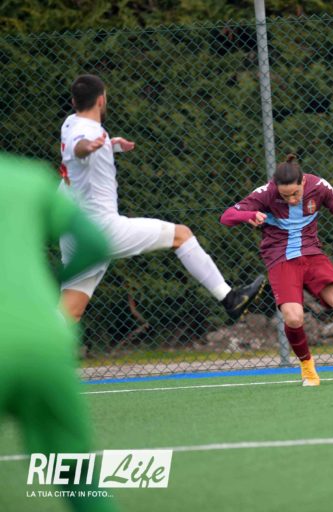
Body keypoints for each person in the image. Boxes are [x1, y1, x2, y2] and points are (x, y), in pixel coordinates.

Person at [58, 74, 262, 324]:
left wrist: (109, 145)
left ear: (74, 102)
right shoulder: (87, 132)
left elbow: (76, 153)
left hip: (74, 230)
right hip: (100, 230)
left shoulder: (70, 123)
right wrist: (88, 146)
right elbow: (79, 146)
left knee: (70, 312)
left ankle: (33, 348)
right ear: (101, 100)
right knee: (181, 235)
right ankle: (231, 299)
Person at [220, 154, 333, 386]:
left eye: (295, 193)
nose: (291, 200)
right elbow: (227, 217)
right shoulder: (265, 193)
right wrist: (249, 214)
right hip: (280, 259)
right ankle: (307, 367)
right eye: (285, 196)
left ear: (303, 182)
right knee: (293, 317)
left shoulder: (320, 187)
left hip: (312, 254)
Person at [0, 153, 116, 511]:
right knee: (79, 480)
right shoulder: (28, 177)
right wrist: (42, 290)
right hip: (42, 339)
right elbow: (95, 244)